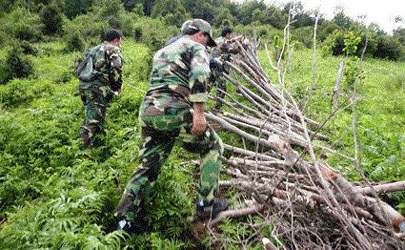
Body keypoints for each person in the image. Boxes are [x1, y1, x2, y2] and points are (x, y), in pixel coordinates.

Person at [115, 19, 228, 233]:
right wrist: (199, 113)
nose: (207, 44)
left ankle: (124, 219)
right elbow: (199, 74)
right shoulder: (197, 47)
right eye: (207, 39)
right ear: (201, 34)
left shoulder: (163, 51)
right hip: (173, 110)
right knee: (212, 146)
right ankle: (207, 203)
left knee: (148, 166)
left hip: (148, 112)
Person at [78, 29, 123, 149]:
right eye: (120, 42)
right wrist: (117, 87)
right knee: (94, 121)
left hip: (84, 87)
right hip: (97, 89)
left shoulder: (93, 49)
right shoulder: (113, 49)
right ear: (116, 40)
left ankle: (93, 144)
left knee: (91, 115)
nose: (120, 45)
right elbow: (116, 69)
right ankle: (83, 152)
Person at [211, 27, 242, 110]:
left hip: (211, 65)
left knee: (209, 84)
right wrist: (241, 44)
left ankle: (199, 103)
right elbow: (234, 51)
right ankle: (217, 107)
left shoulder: (217, 39)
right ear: (227, 34)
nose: (231, 36)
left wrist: (235, 40)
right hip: (218, 67)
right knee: (222, 86)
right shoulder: (224, 42)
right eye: (230, 34)